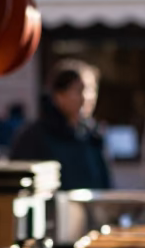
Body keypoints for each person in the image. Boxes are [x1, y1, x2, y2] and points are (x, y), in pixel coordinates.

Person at [10, 60, 110, 190]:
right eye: (79, 90)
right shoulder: (34, 137)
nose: (87, 97)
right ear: (59, 95)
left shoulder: (93, 137)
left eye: (92, 90)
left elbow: (105, 184)